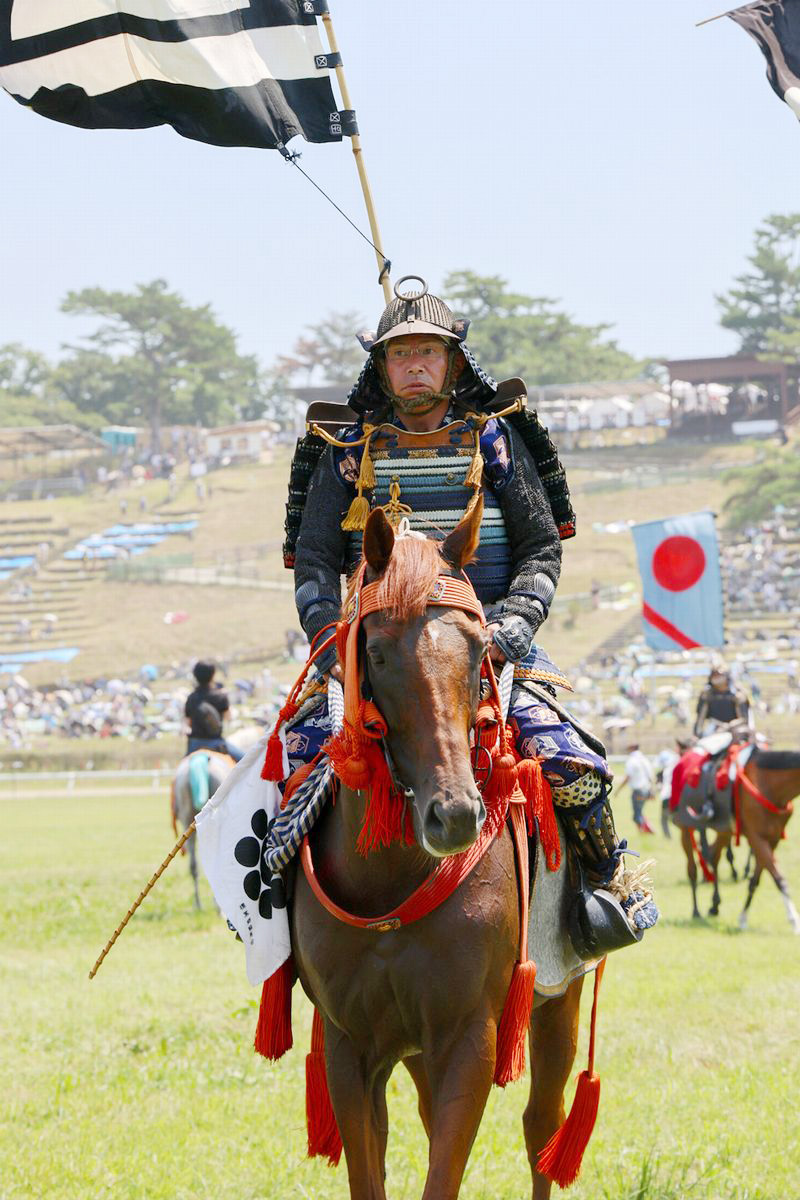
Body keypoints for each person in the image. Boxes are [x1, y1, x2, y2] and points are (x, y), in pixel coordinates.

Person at [284, 277, 656, 947]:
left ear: (454, 361)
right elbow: (313, 561)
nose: (417, 365)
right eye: (402, 354)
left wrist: (512, 626)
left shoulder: (497, 441)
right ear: (382, 366)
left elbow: (541, 548)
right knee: (295, 762)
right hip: (373, 649)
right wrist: (329, 641)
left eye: (429, 351)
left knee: (567, 761)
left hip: (482, 641)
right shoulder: (343, 453)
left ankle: (606, 890)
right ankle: (279, 909)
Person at [184, 660, 244, 762]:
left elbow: (189, 723)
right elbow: (228, 717)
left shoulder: (191, 698)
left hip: (194, 744)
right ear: (212, 675)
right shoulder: (220, 696)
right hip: (216, 742)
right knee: (245, 760)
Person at [693, 663, 751, 738]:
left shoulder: (737, 695)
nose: (716, 677)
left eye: (719, 674)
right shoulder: (707, 695)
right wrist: (696, 735)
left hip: (735, 730)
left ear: (727, 676)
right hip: (714, 729)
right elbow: (700, 719)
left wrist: (728, 726)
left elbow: (743, 719)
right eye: (713, 674)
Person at [622, 744, 655, 834]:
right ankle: (648, 829)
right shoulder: (644, 759)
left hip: (638, 791)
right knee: (640, 811)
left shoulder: (632, 760)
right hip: (646, 790)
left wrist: (618, 790)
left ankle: (643, 831)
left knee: (637, 813)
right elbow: (651, 776)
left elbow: (628, 777)